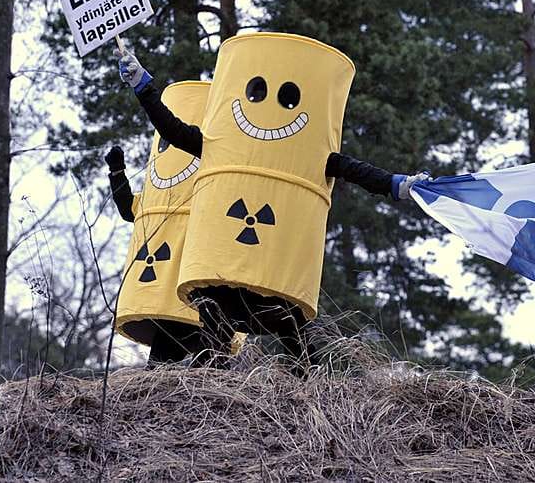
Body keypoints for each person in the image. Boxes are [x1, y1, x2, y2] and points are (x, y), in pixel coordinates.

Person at [118, 48, 427, 371]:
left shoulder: (308, 152)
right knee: (213, 336)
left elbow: (356, 170)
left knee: (291, 330)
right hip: (220, 268)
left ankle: (309, 392)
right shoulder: (221, 143)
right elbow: (172, 130)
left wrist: (397, 184)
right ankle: (204, 390)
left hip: (273, 268)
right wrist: (143, 86)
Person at [105, 144, 216, 367]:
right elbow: (129, 208)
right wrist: (117, 172)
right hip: (166, 297)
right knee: (160, 367)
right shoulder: (156, 199)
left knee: (210, 365)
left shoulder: (212, 190)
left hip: (203, 296)